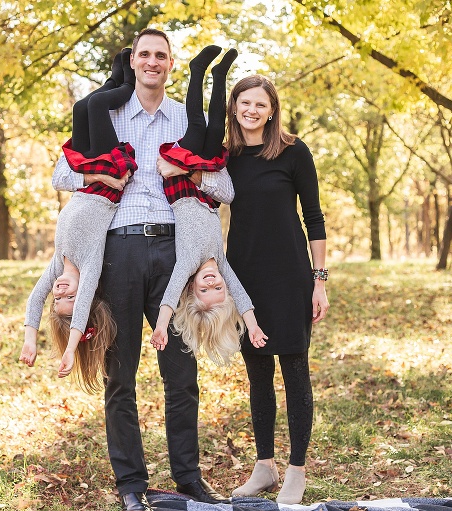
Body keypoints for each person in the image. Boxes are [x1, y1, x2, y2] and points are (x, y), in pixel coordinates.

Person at [52, 29, 235, 511]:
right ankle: (132, 484)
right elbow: (61, 174)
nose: (153, 62)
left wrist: (190, 174)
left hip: (176, 253)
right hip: (117, 251)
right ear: (133, 62)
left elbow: (224, 183)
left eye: (161, 56)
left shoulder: (185, 117)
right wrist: (101, 175)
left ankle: (188, 479)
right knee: (121, 373)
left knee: (181, 372)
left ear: (171, 65)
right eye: (145, 55)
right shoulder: (105, 114)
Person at [224, 75, 329, 505]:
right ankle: (264, 466)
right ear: (234, 107)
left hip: (289, 275)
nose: (251, 110)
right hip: (243, 275)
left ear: (272, 110)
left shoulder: (293, 151)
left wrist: (319, 281)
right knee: (257, 373)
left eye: (260, 104)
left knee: (294, 371)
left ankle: (297, 470)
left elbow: (315, 218)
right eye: (244, 102)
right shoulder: (224, 157)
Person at [19, 49, 136, 393]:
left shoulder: (57, 266)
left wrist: (30, 340)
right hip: (110, 177)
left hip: (90, 177)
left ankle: (116, 77)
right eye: (68, 300)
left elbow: (33, 300)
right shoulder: (89, 267)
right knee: (97, 107)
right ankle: (128, 82)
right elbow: (83, 307)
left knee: (80, 108)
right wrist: (71, 348)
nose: (61, 294)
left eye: (58, 301)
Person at [150, 45, 268, 366]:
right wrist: (253, 327)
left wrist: (162, 327)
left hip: (182, 187)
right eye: (219, 291)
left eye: (205, 291)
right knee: (217, 130)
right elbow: (242, 297)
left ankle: (197, 70)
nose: (213, 284)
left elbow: (169, 298)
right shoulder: (222, 265)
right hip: (206, 191)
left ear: (194, 290)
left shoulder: (186, 265)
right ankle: (220, 75)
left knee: (198, 127)